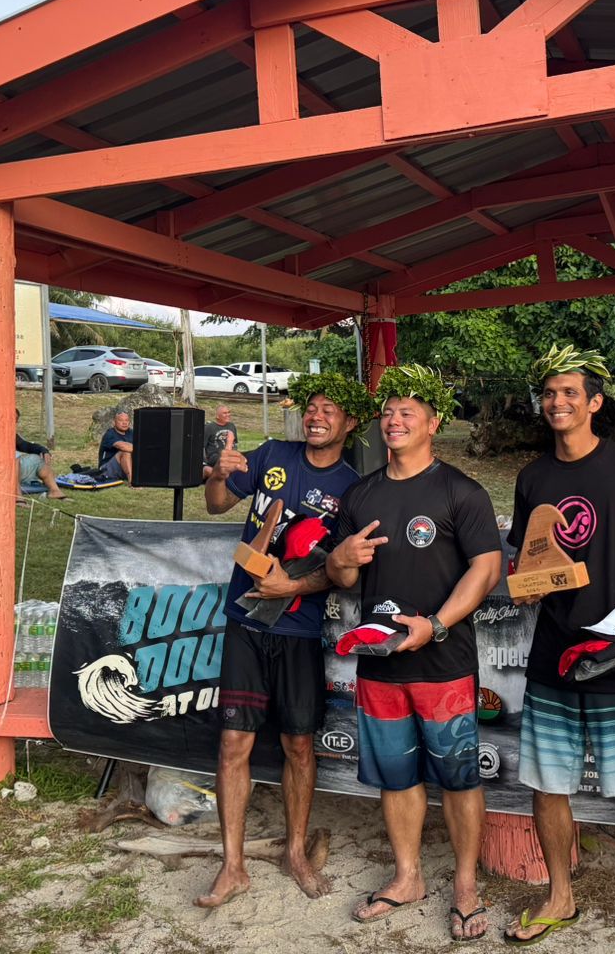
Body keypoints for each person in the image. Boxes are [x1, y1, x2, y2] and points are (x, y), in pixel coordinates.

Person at [503, 345, 615, 954]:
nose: (558, 402)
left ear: (594, 403)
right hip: (552, 654)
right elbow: (527, 558)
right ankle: (561, 895)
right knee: (548, 786)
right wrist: (525, 584)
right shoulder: (533, 478)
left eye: (570, 393)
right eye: (550, 393)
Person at [326, 365, 503, 941]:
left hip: (444, 664)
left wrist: (436, 624)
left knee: (458, 780)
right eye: (388, 411)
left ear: (433, 423)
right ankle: (407, 879)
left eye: (407, 412)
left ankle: (466, 886)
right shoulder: (361, 494)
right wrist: (343, 557)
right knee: (396, 778)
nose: (394, 420)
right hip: (380, 662)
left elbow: (488, 566)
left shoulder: (461, 491)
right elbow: (342, 579)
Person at [192, 372, 373, 909]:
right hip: (245, 623)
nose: (316, 416)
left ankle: (295, 850)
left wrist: (292, 585)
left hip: (298, 630)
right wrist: (218, 475)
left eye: (329, 409)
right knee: (233, 743)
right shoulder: (273, 452)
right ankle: (233, 866)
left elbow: (346, 572)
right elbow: (216, 504)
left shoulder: (353, 488)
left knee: (298, 745)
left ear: (351, 422)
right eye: (310, 406)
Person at [14, 409, 66, 499]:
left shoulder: (12, 434)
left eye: (15, 420)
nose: (13, 423)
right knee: (14, 457)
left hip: (15, 471)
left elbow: (26, 445)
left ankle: (54, 491)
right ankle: (18, 496)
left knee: (37, 459)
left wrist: (43, 450)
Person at [97, 410, 134, 483]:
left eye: (127, 420)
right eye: (121, 420)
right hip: (106, 470)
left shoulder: (132, 432)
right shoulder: (110, 434)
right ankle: (132, 482)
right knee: (125, 452)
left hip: (124, 467)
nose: (124, 423)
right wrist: (141, 448)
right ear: (114, 422)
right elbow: (124, 447)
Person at [203, 404, 238, 469]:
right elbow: (202, 446)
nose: (228, 415)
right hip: (215, 457)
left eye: (229, 412)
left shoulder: (232, 426)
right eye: (225, 413)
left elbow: (235, 444)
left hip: (230, 455)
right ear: (217, 416)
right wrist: (205, 461)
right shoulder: (209, 427)